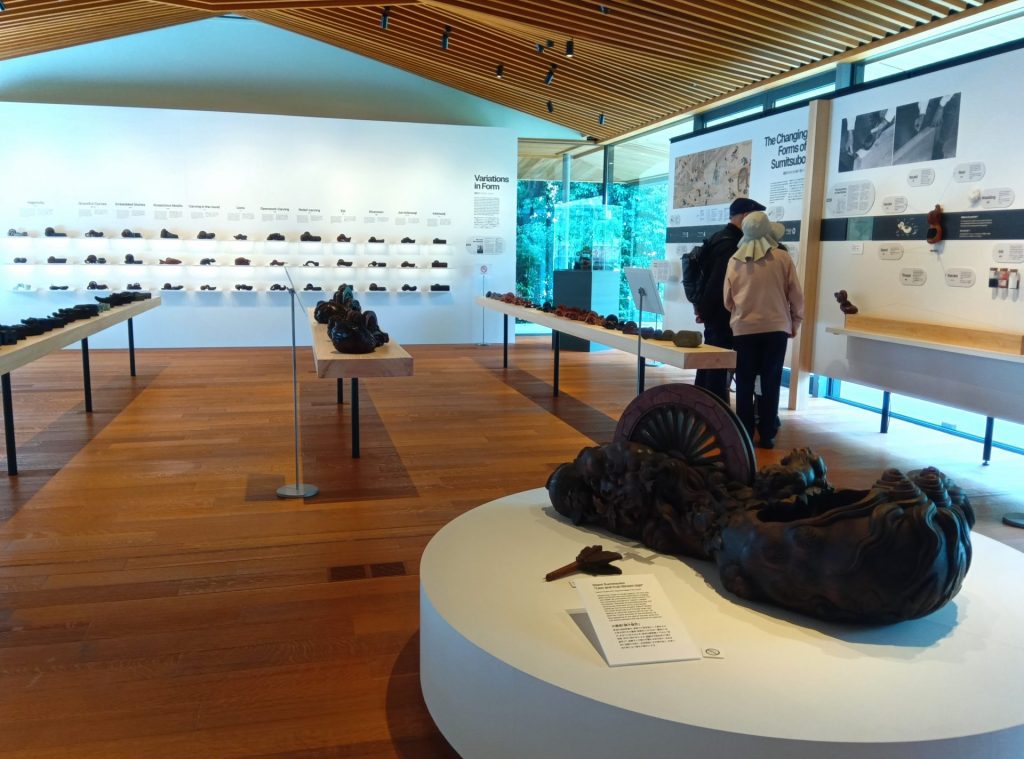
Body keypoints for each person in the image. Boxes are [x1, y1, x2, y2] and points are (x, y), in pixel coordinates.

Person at [723, 211, 804, 449]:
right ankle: (767, 432)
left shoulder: (734, 260)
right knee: (771, 380)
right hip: (776, 328)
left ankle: (745, 432)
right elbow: (796, 296)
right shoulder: (782, 257)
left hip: (744, 329)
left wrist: (741, 313)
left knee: (745, 382)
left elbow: (727, 300)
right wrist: (794, 322)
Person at [693, 197, 766, 404]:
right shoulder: (733, 244)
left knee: (709, 360)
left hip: (713, 310)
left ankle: (700, 405)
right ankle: (714, 409)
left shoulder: (718, 237)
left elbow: (706, 279)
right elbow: (718, 283)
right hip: (723, 314)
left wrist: (702, 308)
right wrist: (708, 310)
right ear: (745, 216)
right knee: (717, 363)